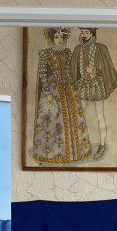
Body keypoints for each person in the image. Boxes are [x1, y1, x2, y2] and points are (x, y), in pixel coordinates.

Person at [32, 27, 91, 164]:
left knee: (76, 119)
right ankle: (55, 153)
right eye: (56, 37)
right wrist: (47, 92)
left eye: (61, 37)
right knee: (54, 121)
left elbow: (72, 70)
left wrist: (75, 83)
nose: (59, 40)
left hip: (69, 90)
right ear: (51, 38)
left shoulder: (68, 53)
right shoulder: (45, 54)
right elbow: (43, 74)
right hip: (53, 91)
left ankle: (76, 152)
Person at [70, 27, 117, 160]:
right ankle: (78, 145)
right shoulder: (77, 49)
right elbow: (73, 72)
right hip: (83, 86)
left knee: (100, 116)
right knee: (79, 116)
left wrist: (95, 71)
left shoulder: (101, 48)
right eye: (82, 32)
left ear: (92, 34)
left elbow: (108, 71)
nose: (84, 35)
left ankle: (101, 145)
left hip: (97, 86)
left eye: (87, 32)